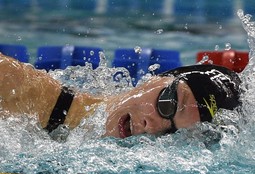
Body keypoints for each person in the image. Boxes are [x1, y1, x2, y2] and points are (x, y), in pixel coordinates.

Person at [0, 53, 241, 139]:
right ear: (156, 79)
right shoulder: (20, 91)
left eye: (172, 134)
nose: (151, 127)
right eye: (166, 104)